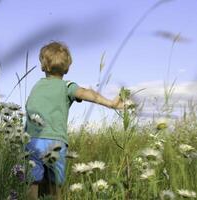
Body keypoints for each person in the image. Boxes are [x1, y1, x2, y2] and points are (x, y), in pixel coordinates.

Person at [25, 41, 124, 200]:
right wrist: (111, 103)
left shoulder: (37, 86)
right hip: (55, 142)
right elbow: (86, 93)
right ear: (67, 67)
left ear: (43, 66)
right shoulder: (67, 86)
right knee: (55, 183)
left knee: (32, 181)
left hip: (32, 140)